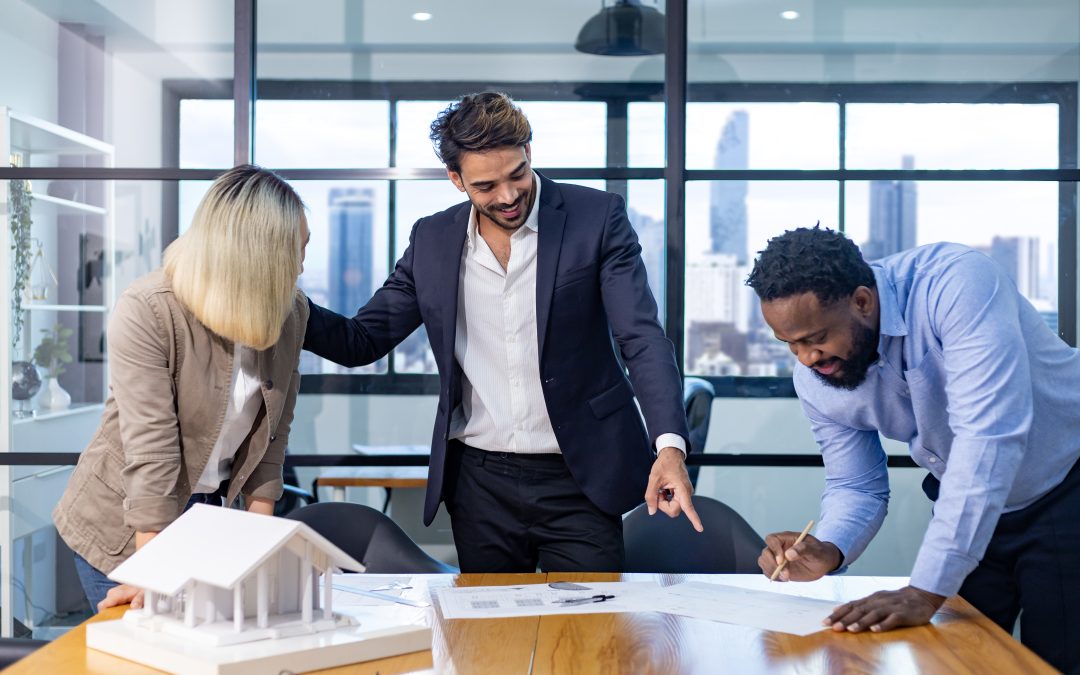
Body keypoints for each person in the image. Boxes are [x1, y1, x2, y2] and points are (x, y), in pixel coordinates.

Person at [304, 92, 699, 573]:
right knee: (488, 635)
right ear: (457, 180)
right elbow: (362, 340)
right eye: (486, 185)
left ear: (529, 154)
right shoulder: (431, 240)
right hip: (479, 483)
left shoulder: (596, 218)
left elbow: (640, 336)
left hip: (579, 476)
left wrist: (670, 446)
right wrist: (277, 305)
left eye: (517, 175)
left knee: (588, 632)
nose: (508, 196)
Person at [746, 226, 1080, 672]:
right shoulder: (815, 377)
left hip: (1066, 486)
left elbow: (987, 439)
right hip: (966, 503)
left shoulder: (957, 283)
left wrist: (924, 590)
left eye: (816, 337)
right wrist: (829, 548)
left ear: (862, 301)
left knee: (1056, 663)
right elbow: (856, 484)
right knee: (953, 661)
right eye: (790, 344)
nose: (806, 358)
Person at [53, 165, 311, 612]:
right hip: (125, 523)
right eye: (296, 251)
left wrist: (258, 548)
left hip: (207, 518)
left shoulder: (290, 313)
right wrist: (150, 569)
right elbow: (151, 449)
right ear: (259, 256)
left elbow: (274, 433)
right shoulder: (150, 309)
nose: (303, 265)